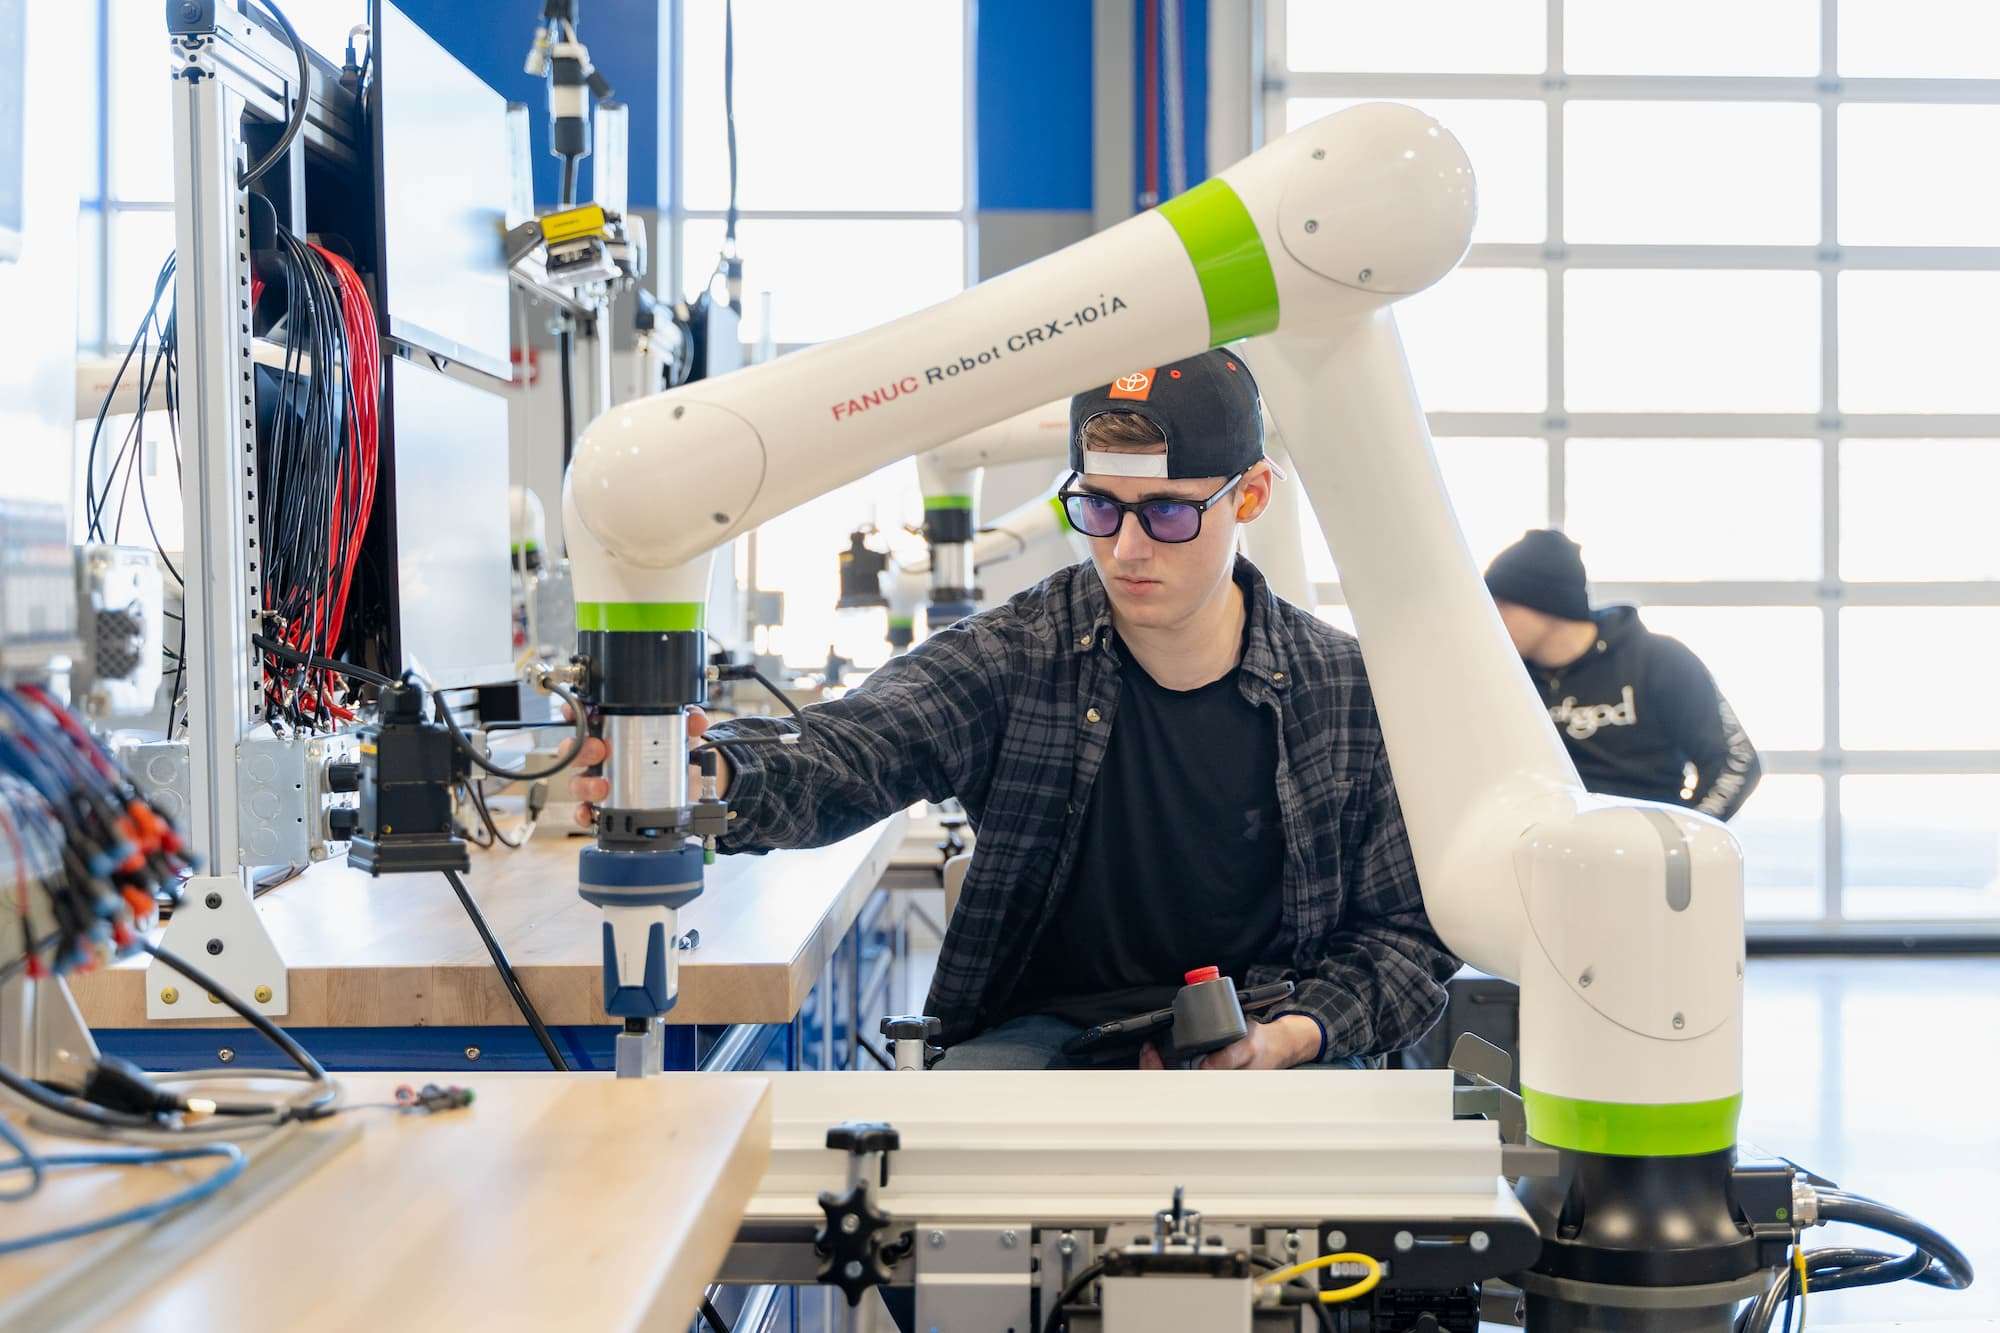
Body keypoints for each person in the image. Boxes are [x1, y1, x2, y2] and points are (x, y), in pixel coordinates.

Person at [572, 351, 1458, 1070]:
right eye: (1099, 508)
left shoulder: (1346, 691)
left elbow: (1406, 942)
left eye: (1169, 516)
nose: (1127, 548)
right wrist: (709, 770)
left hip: (1272, 1030)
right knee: (944, 1224)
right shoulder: (1021, 654)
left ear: (1251, 496)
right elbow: (858, 746)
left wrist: (1289, 1037)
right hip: (1049, 1036)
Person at [1484, 528, 1762, 821]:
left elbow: (1737, 760)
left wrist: (1681, 838)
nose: (1492, 618)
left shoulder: (1658, 660)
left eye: (1502, 605)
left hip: (1642, 855)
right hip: (1540, 853)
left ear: (1544, 604)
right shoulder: (1505, 677)